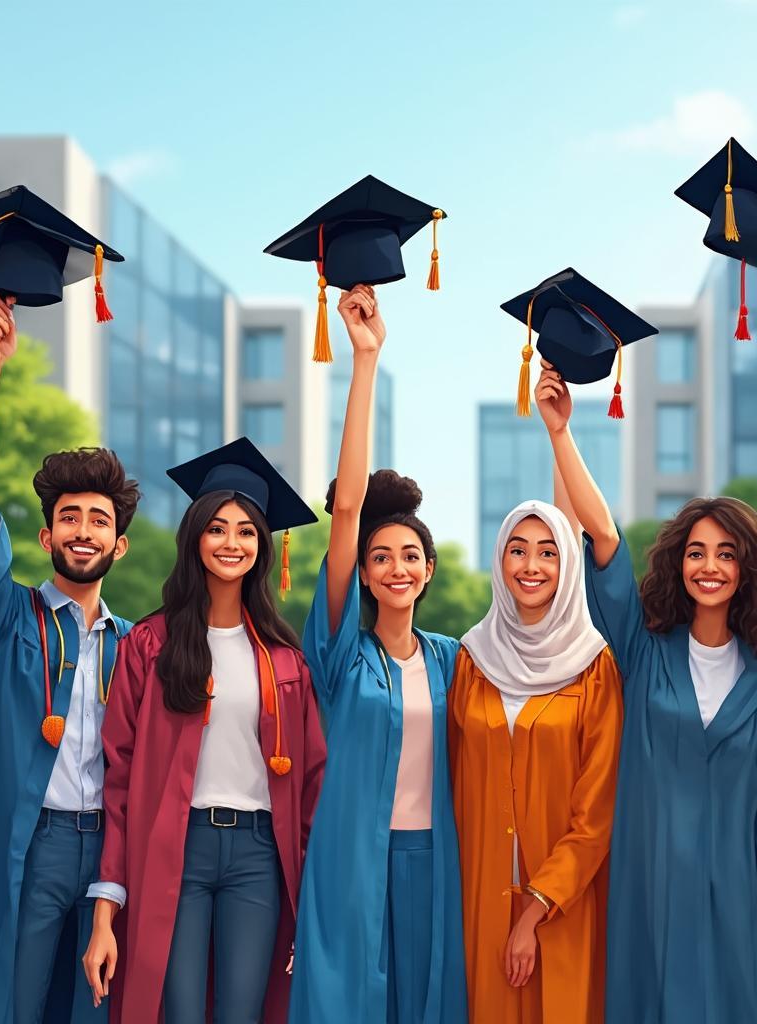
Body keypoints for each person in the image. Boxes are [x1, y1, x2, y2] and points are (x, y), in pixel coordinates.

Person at [534, 361, 757, 1022]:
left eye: (724, 554)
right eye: (696, 552)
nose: (709, 566)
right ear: (677, 563)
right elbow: (601, 540)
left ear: (744, 570)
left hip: (730, 898)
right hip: (648, 889)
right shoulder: (641, 652)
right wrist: (559, 434)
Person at [0, 293, 139, 1024]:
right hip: (33, 845)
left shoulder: (135, 646)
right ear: (46, 538)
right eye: (69, 518)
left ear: (120, 546)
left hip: (108, 858)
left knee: (94, 1010)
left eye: (99, 521)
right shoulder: (2, 618)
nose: (83, 531)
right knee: (10, 1006)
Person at [81, 439, 326, 1024]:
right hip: (176, 849)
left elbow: (312, 781)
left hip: (258, 856)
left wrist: (312, 893)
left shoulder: (285, 660)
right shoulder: (151, 644)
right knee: (180, 1011)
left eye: (246, 531)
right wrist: (106, 904)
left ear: (263, 547)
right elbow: (117, 778)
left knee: (244, 1011)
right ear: (195, 537)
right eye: (218, 528)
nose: (231, 543)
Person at [289, 285, 467, 1024]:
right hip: (349, 858)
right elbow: (350, 510)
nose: (396, 566)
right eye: (380, 557)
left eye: (411, 556)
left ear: (428, 570)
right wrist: (366, 360)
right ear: (362, 572)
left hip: (434, 862)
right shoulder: (336, 654)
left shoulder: (457, 659)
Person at [449, 495, 623, 1022]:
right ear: (499, 562)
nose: (532, 566)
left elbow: (596, 814)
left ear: (568, 566)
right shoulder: (472, 661)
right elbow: (454, 783)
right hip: (480, 898)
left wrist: (536, 910)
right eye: (517, 550)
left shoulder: (593, 667)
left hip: (563, 906)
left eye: (549, 552)